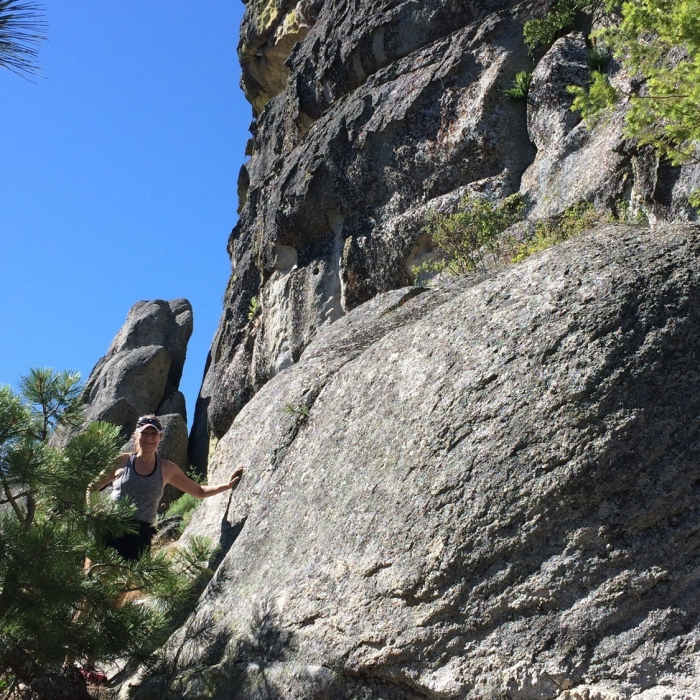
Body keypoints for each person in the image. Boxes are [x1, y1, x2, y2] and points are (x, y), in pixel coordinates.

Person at [87, 414, 243, 561]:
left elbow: (199, 491)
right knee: (96, 580)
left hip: (140, 536)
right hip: (111, 528)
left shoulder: (166, 469)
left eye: (153, 434)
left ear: (160, 437)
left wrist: (227, 485)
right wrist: (95, 512)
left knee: (127, 587)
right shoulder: (122, 461)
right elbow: (92, 487)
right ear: (136, 435)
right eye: (144, 433)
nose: (149, 438)